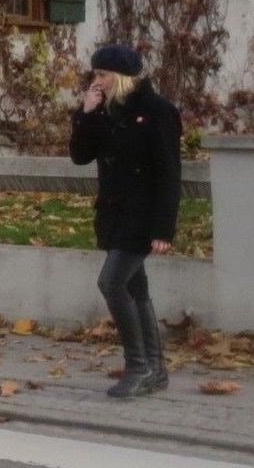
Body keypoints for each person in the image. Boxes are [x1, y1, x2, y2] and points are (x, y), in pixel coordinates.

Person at [69, 44, 183, 398]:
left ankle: (139, 365)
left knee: (111, 284)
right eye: (96, 74)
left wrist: (164, 228)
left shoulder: (157, 111)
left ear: (123, 77)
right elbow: (80, 156)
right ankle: (155, 369)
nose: (97, 81)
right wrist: (86, 113)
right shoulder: (105, 110)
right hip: (114, 213)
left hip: (142, 215)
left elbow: (169, 173)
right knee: (136, 288)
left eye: (103, 75)